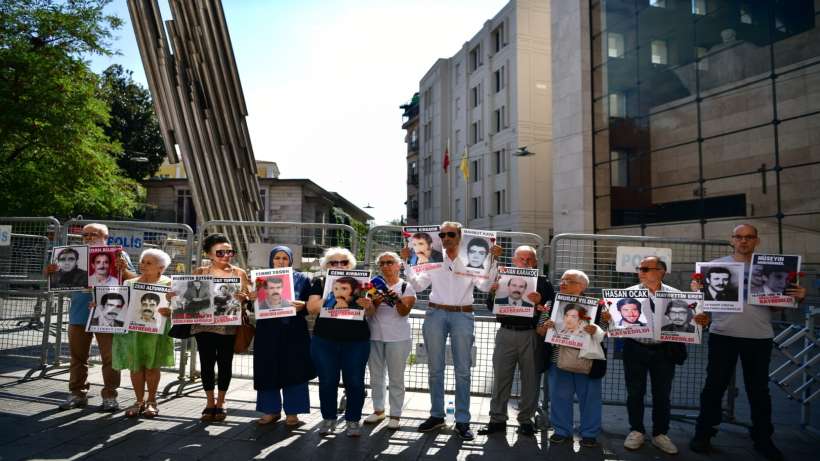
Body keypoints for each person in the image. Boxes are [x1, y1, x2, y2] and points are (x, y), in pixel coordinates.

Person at [690, 224, 806, 461]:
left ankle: (763, 439)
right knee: (714, 387)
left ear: (757, 241)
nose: (743, 241)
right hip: (723, 334)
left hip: (759, 336)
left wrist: (796, 297)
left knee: (759, 391)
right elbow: (701, 305)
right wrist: (696, 293)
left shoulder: (772, 268)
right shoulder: (716, 267)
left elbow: (776, 305)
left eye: (749, 237)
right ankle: (702, 435)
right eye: (739, 237)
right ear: (732, 240)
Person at [401, 221, 501, 440]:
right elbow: (417, 286)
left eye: (450, 234)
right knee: (434, 369)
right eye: (443, 234)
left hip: (463, 315)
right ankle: (437, 415)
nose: (445, 238)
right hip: (435, 314)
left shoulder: (471, 260)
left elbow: (484, 287)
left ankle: (462, 420)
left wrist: (493, 260)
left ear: (460, 236)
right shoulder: (433, 260)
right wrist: (406, 261)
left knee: (463, 371)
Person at [622, 256, 709, 454]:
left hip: (664, 351)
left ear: (661, 271)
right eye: (640, 269)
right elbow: (615, 322)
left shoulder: (678, 295)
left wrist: (701, 321)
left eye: (646, 269)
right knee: (635, 392)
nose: (641, 272)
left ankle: (660, 433)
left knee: (662, 394)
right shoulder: (626, 294)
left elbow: (691, 322)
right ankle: (636, 430)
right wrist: (608, 317)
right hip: (635, 349)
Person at [50, 223, 135, 411]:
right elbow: (57, 281)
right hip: (79, 312)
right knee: (77, 356)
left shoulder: (119, 254)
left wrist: (124, 269)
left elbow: (132, 281)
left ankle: (110, 396)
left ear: (105, 237)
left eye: (92, 234)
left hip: (108, 313)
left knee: (110, 357)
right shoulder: (73, 256)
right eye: (85, 235)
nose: (88, 238)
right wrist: (50, 274)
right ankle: (77, 394)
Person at [479, 245, 552, 438]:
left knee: (531, 380)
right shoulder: (501, 278)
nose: (525, 262)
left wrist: (540, 304)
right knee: (501, 378)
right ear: (514, 260)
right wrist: (494, 292)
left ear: (536, 262)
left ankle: (526, 421)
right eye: (521, 258)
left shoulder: (543, 283)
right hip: (505, 333)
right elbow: (490, 307)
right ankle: (497, 419)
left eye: (529, 259)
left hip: (531, 335)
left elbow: (552, 311)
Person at [182, 233, 250, 422]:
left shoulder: (239, 273)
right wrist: (176, 296)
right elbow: (187, 297)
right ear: (209, 254)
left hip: (228, 326)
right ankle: (209, 402)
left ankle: (221, 402)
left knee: (225, 362)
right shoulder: (200, 272)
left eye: (229, 251)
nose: (226, 255)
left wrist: (244, 298)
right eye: (220, 252)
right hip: (203, 325)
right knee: (206, 362)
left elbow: (249, 297)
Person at [537, 269, 609, 448]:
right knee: (559, 397)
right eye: (562, 280)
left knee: (590, 398)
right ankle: (561, 431)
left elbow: (605, 333)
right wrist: (546, 326)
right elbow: (539, 330)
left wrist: (597, 329)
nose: (562, 283)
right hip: (558, 359)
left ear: (582, 286)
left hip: (588, 360)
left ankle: (589, 434)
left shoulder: (598, 306)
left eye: (568, 281)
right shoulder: (551, 303)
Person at [307, 247, 373, 437]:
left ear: (350, 265)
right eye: (333, 263)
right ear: (326, 266)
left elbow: (371, 313)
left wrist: (368, 306)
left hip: (356, 341)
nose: (338, 265)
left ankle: (353, 421)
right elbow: (311, 308)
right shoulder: (319, 282)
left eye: (343, 262)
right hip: (325, 341)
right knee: (327, 381)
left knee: (355, 382)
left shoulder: (362, 284)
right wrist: (330, 295)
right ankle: (328, 419)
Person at [253, 246, 315, 427]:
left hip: (294, 332)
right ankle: (270, 410)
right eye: (277, 258)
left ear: (291, 261)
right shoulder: (260, 279)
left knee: (294, 370)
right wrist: (251, 299)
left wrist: (302, 305)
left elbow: (309, 305)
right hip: (267, 332)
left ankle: (293, 412)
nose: (281, 261)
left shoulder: (302, 279)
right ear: (271, 260)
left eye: (285, 258)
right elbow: (253, 308)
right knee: (267, 369)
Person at [113, 249, 174, 418]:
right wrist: (99, 306)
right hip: (133, 332)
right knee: (136, 367)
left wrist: (170, 310)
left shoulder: (169, 284)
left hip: (157, 332)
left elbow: (180, 307)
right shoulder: (129, 283)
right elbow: (120, 305)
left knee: (152, 366)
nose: (143, 265)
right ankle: (139, 401)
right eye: (142, 261)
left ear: (160, 268)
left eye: (149, 263)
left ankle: (152, 401)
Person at [363, 251, 417, 430]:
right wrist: (375, 303)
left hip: (398, 338)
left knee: (396, 378)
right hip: (374, 336)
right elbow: (368, 313)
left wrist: (392, 297)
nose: (386, 266)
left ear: (398, 265)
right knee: (376, 376)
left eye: (389, 262)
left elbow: (403, 311)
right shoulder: (372, 286)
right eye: (382, 263)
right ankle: (379, 410)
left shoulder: (405, 287)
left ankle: (395, 414)